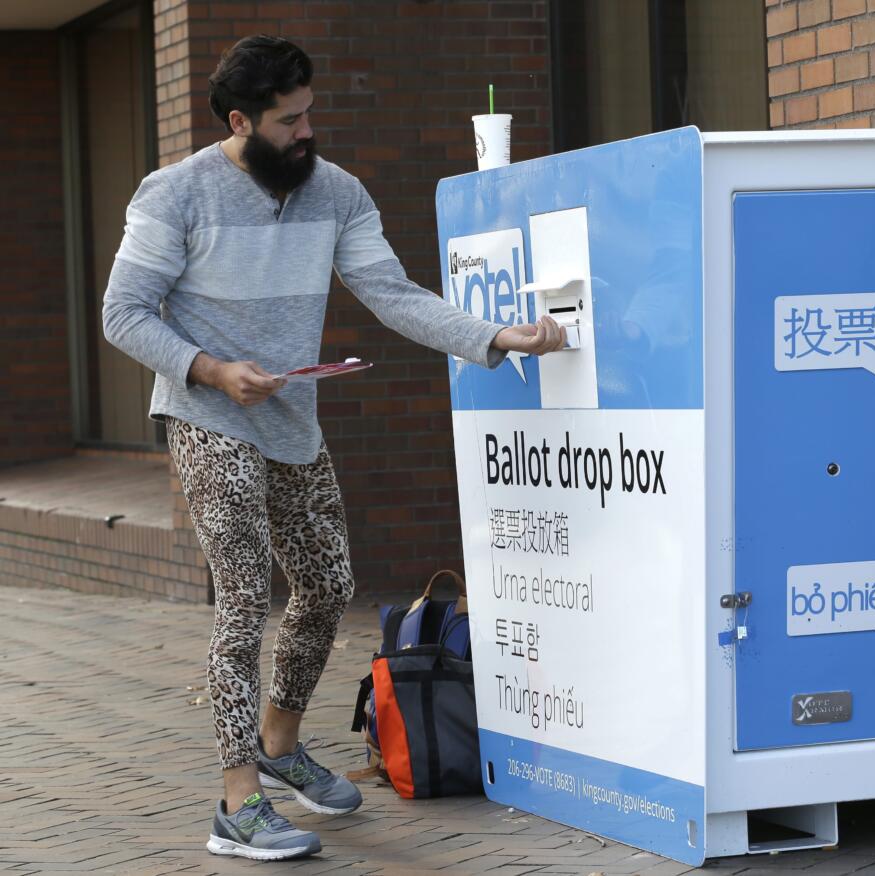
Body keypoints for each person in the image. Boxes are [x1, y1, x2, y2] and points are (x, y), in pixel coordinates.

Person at [102, 34, 564, 862]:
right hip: (208, 413)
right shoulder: (174, 195)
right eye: (289, 121)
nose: (307, 132)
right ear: (239, 121)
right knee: (244, 597)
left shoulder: (336, 193)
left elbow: (392, 295)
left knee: (325, 586)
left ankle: (280, 745)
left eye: (311, 113)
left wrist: (496, 335)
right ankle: (236, 802)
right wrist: (209, 367)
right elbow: (124, 313)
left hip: (291, 420)